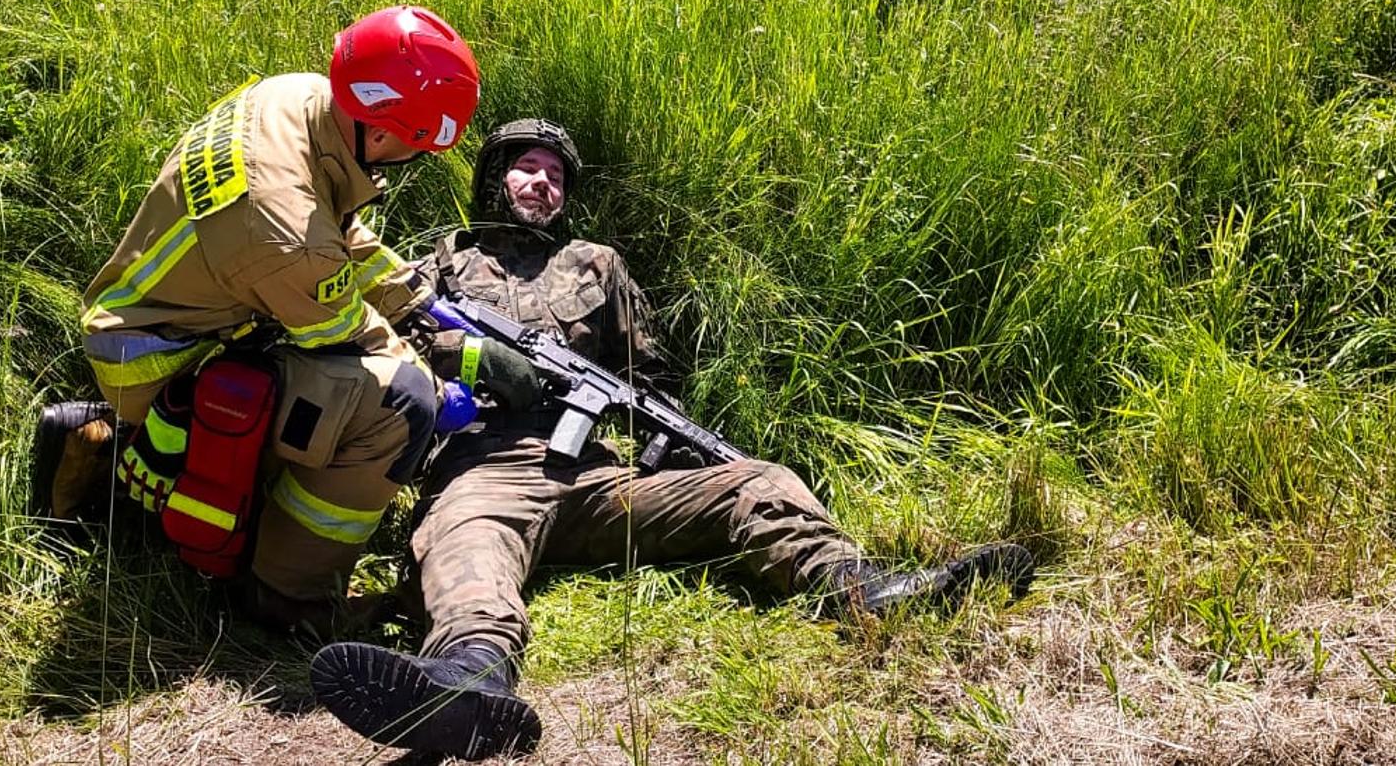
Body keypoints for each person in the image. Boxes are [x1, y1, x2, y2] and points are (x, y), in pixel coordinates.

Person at [308, 119, 1039, 761]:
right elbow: (384, 344)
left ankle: (861, 588)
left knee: (758, 479)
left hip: (598, 476)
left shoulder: (596, 264)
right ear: (494, 178)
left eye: (555, 174)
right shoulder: (437, 264)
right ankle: (467, 681)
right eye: (526, 166)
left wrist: (668, 440)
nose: (540, 183)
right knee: (467, 547)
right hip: (484, 465)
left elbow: (648, 379)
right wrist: (472, 362)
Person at [30, 5, 481, 635]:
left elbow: (334, 230)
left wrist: (417, 299)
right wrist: (438, 386)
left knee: (352, 393)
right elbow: (342, 332)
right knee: (396, 409)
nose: (411, 157)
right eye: (417, 144)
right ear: (380, 136)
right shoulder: (284, 235)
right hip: (165, 359)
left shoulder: (299, 97)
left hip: (161, 321)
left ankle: (122, 462)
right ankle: (285, 598)